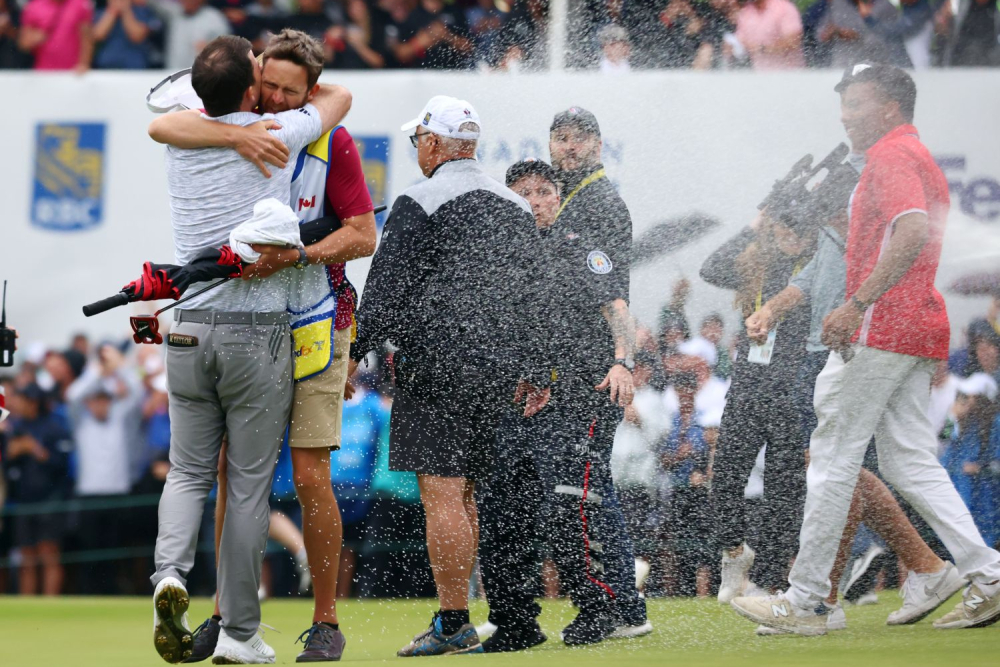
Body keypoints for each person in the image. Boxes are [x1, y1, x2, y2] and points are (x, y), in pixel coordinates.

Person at [730, 63, 1000, 636]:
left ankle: (804, 603)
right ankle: (990, 574)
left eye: (855, 104)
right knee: (906, 459)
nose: (844, 115)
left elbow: (910, 230)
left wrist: (856, 304)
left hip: (879, 329)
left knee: (831, 457)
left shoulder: (890, 157)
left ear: (889, 108)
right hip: (913, 328)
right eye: (844, 104)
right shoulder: (912, 154)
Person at [149, 28, 376, 663]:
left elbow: (363, 234)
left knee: (306, 475)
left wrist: (298, 253)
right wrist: (237, 131)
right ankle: (229, 619)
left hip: (316, 321)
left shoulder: (330, 140)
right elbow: (170, 125)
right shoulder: (256, 127)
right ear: (252, 82)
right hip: (263, 329)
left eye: (288, 88)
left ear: (309, 90)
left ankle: (325, 619)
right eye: (267, 83)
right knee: (234, 477)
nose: (274, 97)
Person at [346, 95, 541, 657]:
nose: (416, 150)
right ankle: (475, 613)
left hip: (436, 364)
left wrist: (353, 355)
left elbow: (384, 291)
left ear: (433, 143)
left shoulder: (420, 197)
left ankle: (454, 620)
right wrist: (535, 366)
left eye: (418, 141)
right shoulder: (514, 204)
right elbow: (534, 295)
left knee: (444, 496)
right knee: (471, 496)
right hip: (499, 368)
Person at [746, 138, 965, 632]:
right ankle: (847, 590)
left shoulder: (873, 212)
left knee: (836, 469)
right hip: (832, 349)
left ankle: (832, 594)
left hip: (851, 348)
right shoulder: (843, 223)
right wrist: (771, 309)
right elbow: (814, 277)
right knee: (839, 471)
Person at [477, 154, 642, 651]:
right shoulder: (501, 257)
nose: (535, 201)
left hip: (583, 395)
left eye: (544, 192)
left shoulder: (579, 249)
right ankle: (515, 621)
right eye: (523, 193)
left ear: (558, 199)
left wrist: (623, 364)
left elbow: (618, 310)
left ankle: (599, 608)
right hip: (525, 398)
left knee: (572, 502)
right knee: (506, 507)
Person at [700, 208, 813, 604]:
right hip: (748, 387)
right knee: (725, 480)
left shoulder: (814, 268)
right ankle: (734, 551)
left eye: (795, 226)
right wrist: (753, 221)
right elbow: (711, 268)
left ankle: (769, 583)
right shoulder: (757, 265)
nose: (788, 233)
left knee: (784, 494)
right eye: (781, 225)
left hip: (790, 391)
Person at [18, 0, 94, 71]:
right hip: (43, 72)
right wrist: (34, 38)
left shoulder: (80, 4)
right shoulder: (34, 6)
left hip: (73, 72)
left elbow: (86, 37)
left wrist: (84, 64)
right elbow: (23, 43)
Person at [733, 0, 805, 69]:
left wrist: (762, 49)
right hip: (761, 75)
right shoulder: (746, 11)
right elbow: (740, 42)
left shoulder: (784, 8)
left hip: (790, 74)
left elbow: (793, 42)